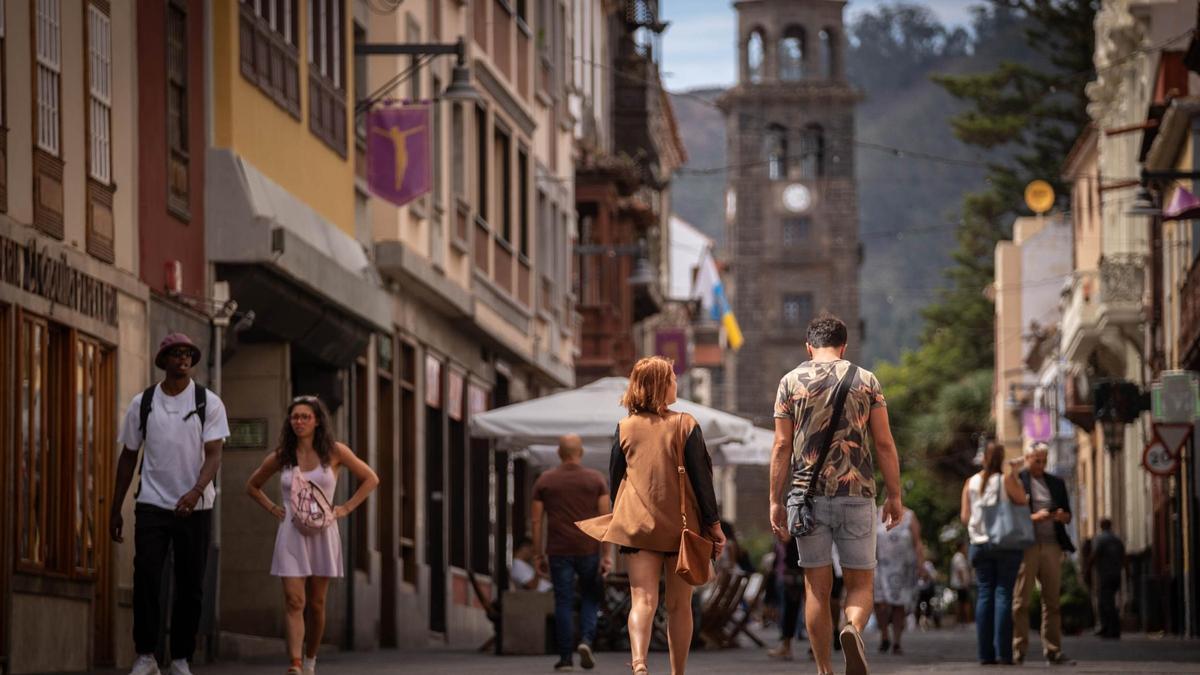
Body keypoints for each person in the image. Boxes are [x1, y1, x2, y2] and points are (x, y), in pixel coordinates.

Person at [768, 314, 904, 675]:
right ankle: (852, 629)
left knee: (817, 587)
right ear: (844, 346)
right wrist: (895, 495)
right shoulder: (866, 380)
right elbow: (885, 444)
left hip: (806, 498)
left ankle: (824, 669)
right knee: (860, 583)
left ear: (808, 346)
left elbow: (782, 446)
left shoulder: (790, 382)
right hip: (857, 494)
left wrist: (774, 499)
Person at [582, 356, 725, 675]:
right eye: (671, 377)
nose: (675, 381)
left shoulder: (624, 428)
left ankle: (639, 663)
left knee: (642, 599)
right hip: (681, 529)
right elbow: (702, 480)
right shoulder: (686, 424)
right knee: (678, 606)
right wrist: (713, 525)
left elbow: (615, 480)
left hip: (638, 527)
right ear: (660, 385)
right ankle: (678, 672)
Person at [110, 333, 230, 675]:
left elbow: (214, 454)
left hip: (197, 508)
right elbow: (128, 456)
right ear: (163, 361)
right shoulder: (143, 403)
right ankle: (146, 655)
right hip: (151, 504)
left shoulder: (209, 402)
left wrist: (195, 491)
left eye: (188, 353)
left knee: (191, 586)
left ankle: (180, 659)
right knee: (146, 578)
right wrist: (115, 507)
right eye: (176, 353)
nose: (183, 358)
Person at [245, 395, 379, 675]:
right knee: (295, 601)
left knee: (316, 604)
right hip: (291, 534)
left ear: (317, 421)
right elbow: (252, 486)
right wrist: (273, 508)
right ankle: (294, 664)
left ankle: (310, 660)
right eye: (295, 417)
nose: (300, 421)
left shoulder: (335, 451)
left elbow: (370, 478)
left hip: (323, 533)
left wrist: (345, 508)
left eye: (306, 416)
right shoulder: (281, 456)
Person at [531, 434, 612, 671]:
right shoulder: (596, 479)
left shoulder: (545, 481)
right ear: (581, 453)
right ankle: (586, 640)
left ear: (559, 453)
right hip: (588, 549)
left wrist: (538, 554)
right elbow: (605, 520)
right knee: (590, 597)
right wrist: (606, 554)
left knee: (563, 601)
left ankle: (565, 657)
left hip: (558, 550)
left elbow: (536, 521)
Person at [960, 442, 1028, 666]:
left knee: (985, 594)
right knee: (1003, 595)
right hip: (1005, 545)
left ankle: (985, 654)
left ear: (983, 459)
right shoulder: (1005, 480)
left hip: (979, 545)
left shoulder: (970, 482)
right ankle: (1004, 654)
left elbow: (964, 517)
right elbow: (1022, 500)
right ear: (1002, 458)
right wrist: (1015, 473)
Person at [1012, 442, 1076, 665]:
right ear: (1027, 459)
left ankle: (1053, 650)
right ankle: (1018, 649)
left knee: (1052, 601)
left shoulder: (1056, 483)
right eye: (1036, 460)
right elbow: (1011, 516)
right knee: (1021, 601)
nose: (1040, 464)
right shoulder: (1018, 481)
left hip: (1051, 545)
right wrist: (1035, 517)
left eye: (1043, 460)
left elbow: (1068, 516)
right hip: (1028, 545)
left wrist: (1060, 516)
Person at [874, 507, 924, 654]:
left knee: (898, 605)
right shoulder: (877, 513)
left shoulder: (909, 515)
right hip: (880, 566)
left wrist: (921, 564)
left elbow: (917, 542)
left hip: (902, 567)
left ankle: (896, 640)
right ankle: (884, 636)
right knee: (880, 603)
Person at [767, 535, 807, 661]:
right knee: (789, 612)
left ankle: (787, 646)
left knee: (792, 611)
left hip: (794, 577)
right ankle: (786, 646)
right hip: (786, 577)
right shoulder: (782, 538)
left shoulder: (795, 536)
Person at [1089, 517, 1125, 639]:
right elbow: (1124, 557)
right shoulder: (1117, 540)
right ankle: (1111, 629)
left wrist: (1087, 568)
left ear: (1101, 526)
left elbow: (1094, 554)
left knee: (1105, 602)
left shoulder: (1100, 539)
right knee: (1110, 601)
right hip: (1116, 575)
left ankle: (1109, 629)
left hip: (1105, 574)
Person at [950, 540, 974, 626]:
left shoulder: (960, 557)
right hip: (961, 584)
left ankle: (960, 621)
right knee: (964, 602)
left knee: (961, 602)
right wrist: (964, 583)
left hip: (960, 584)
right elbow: (960, 571)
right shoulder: (959, 557)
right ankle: (965, 621)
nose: (966, 548)